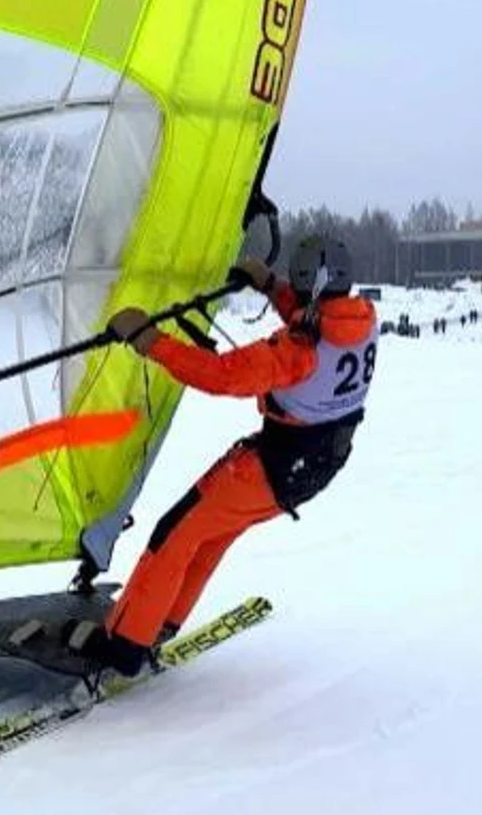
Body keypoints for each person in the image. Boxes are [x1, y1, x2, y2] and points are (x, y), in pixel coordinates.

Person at [64, 235, 380, 677]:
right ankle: (161, 622)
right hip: (315, 466)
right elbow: (310, 315)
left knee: (175, 533)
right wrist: (271, 285)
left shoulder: (298, 350)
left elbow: (222, 375)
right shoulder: (362, 320)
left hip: (274, 466)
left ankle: (124, 645)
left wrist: (148, 339)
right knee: (210, 534)